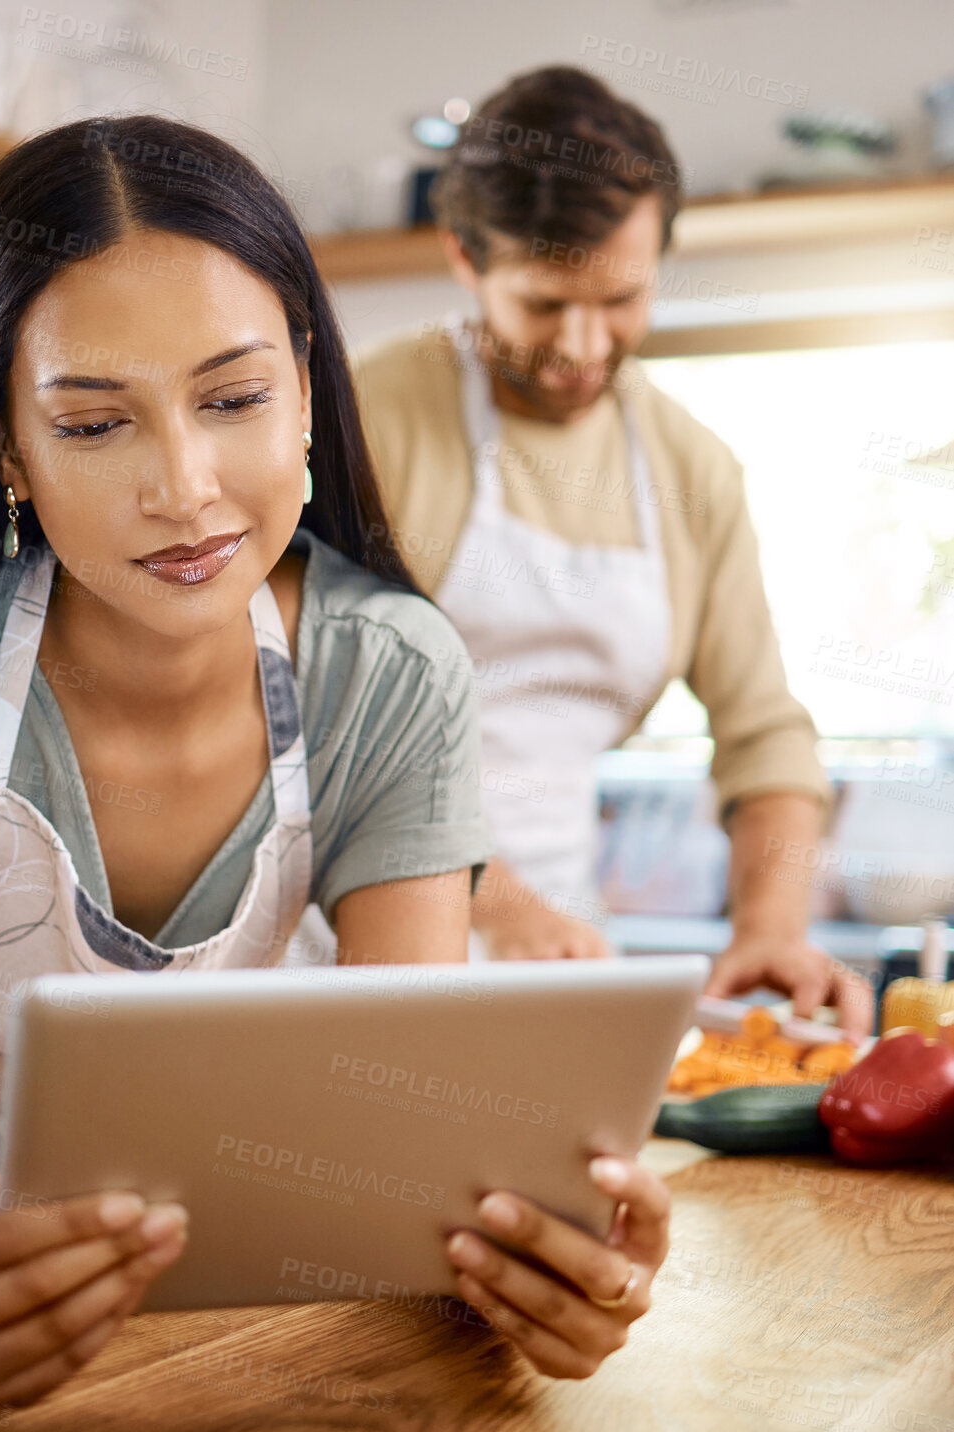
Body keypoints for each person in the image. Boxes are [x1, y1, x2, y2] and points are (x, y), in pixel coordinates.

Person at [0, 116, 669, 1399]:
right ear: (7, 446)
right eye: (95, 424)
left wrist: (522, 1267)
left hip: (56, 1241)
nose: (182, 485)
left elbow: (401, 1140)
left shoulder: (386, 673)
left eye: (231, 399)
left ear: (302, 388)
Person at [352, 66, 871, 1036]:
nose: (582, 344)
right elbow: (307, 717)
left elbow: (763, 735)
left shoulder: (690, 468)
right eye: (543, 303)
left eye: (621, 299)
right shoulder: (370, 416)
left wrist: (768, 927)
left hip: (559, 945)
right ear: (464, 258)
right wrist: (494, 909)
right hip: (349, 940)